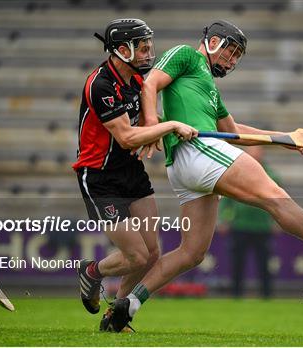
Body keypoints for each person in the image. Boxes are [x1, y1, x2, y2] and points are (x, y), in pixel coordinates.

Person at [101, 19, 303, 332]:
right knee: (275, 197)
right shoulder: (186, 56)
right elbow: (150, 84)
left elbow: (233, 132)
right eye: (230, 52)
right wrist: (151, 125)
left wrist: (283, 137)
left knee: (191, 253)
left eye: (236, 58)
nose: (231, 61)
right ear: (213, 41)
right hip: (200, 152)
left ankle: (127, 307)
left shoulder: (209, 89)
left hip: (188, 167)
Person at [71, 18, 197, 331]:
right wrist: (168, 127)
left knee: (152, 253)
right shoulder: (100, 85)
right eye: (142, 47)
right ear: (122, 49)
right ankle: (92, 272)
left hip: (130, 171)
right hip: (100, 177)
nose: (148, 53)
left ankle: (115, 316)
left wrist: (164, 126)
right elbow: (127, 137)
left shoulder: (137, 80)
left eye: (148, 46)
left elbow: (145, 123)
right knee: (137, 256)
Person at [218, 146, 280, 299]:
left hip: (262, 227)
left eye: (258, 150)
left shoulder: (271, 175)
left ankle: (267, 295)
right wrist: (225, 219)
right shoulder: (237, 174)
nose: (255, 153)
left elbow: (280, 200)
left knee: (264, 264)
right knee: (237, 263)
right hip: (240, 225)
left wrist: (277, 221)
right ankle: (236, 295)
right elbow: (226, 200)